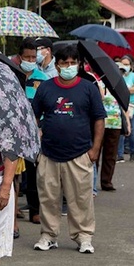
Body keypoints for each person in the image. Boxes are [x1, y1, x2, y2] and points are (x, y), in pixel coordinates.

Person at [31, 44, 106, 254]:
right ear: (57, 64)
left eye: (73, 63)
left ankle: (83, 237)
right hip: (48, 153)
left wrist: (95, 150)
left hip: (80, 153)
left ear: (79, 64)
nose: (69, 66)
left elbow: (99, 119)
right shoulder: (45, 88)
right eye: (65, 63)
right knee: (48, 198)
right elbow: (34, 118)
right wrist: (35, 142)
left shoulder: (88, 88)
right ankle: (48, 235)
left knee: (81, 199)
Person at [19, 37, 50, 224]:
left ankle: (34, 210)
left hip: (34, 131)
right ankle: (12, 209)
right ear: (20, 57)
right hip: (14, 130)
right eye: (27, 57)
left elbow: (47, 107)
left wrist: (41, 128)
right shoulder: (12, 74)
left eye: (33, 57)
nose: (30, 61)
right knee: (13, 173)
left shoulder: (43, 79)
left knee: (32, 173)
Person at [117, 58, 134, 162]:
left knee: (132, 132)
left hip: (132, 107)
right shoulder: (118, 76)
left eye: (127, 64)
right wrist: (130, 89)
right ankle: (120, 154)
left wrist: (124, 89)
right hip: (121, 107)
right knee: (121, 131)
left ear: (131, 66)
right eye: (123, 64)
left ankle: (132, 152)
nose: (125, 66)